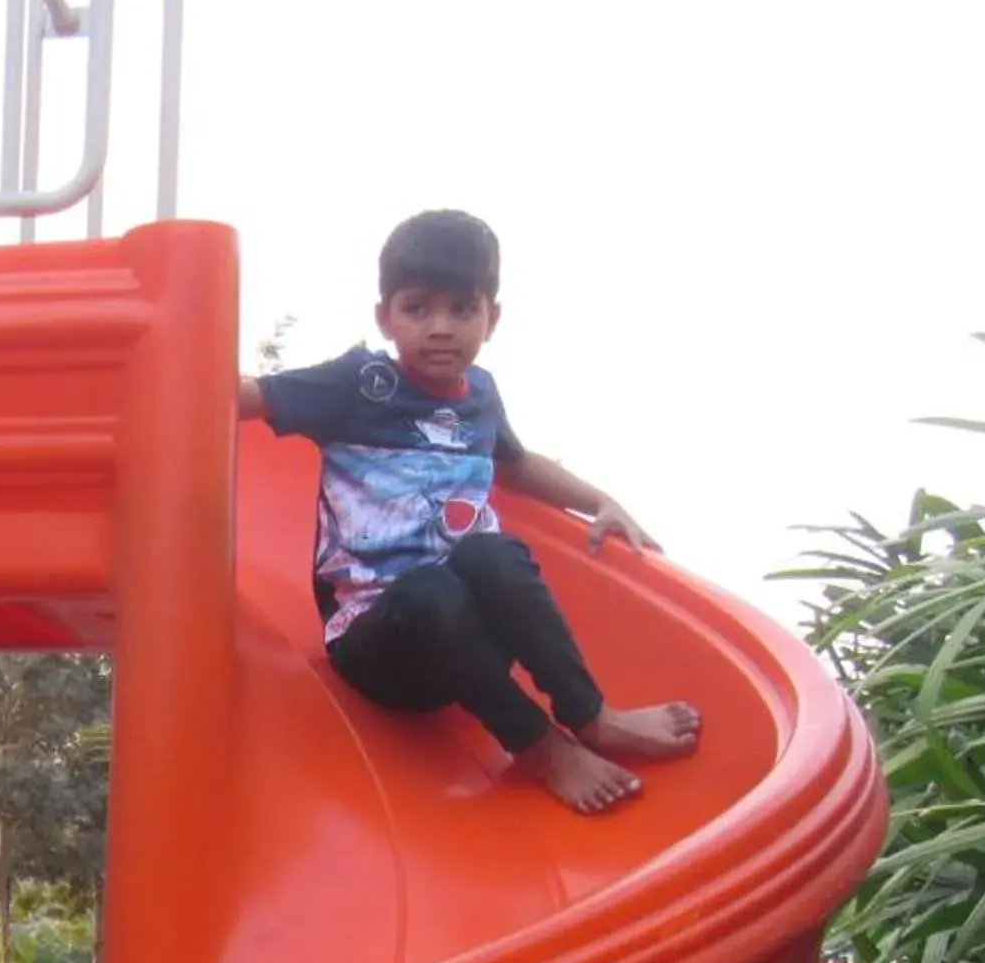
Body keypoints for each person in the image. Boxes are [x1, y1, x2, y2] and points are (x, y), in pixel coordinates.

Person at [236, 210, 700, 813]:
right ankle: (541, 749)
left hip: (471, 641)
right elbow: (249, 396)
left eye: (462, 309)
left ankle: (590, 715)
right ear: (385, 317)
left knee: (495, 553)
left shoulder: (479, 395)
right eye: (417, 308)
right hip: (380, 644)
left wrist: (600, 502)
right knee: (431, 589)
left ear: (492, 318)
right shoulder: (356, 384)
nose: (440, 328)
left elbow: (515, 462)